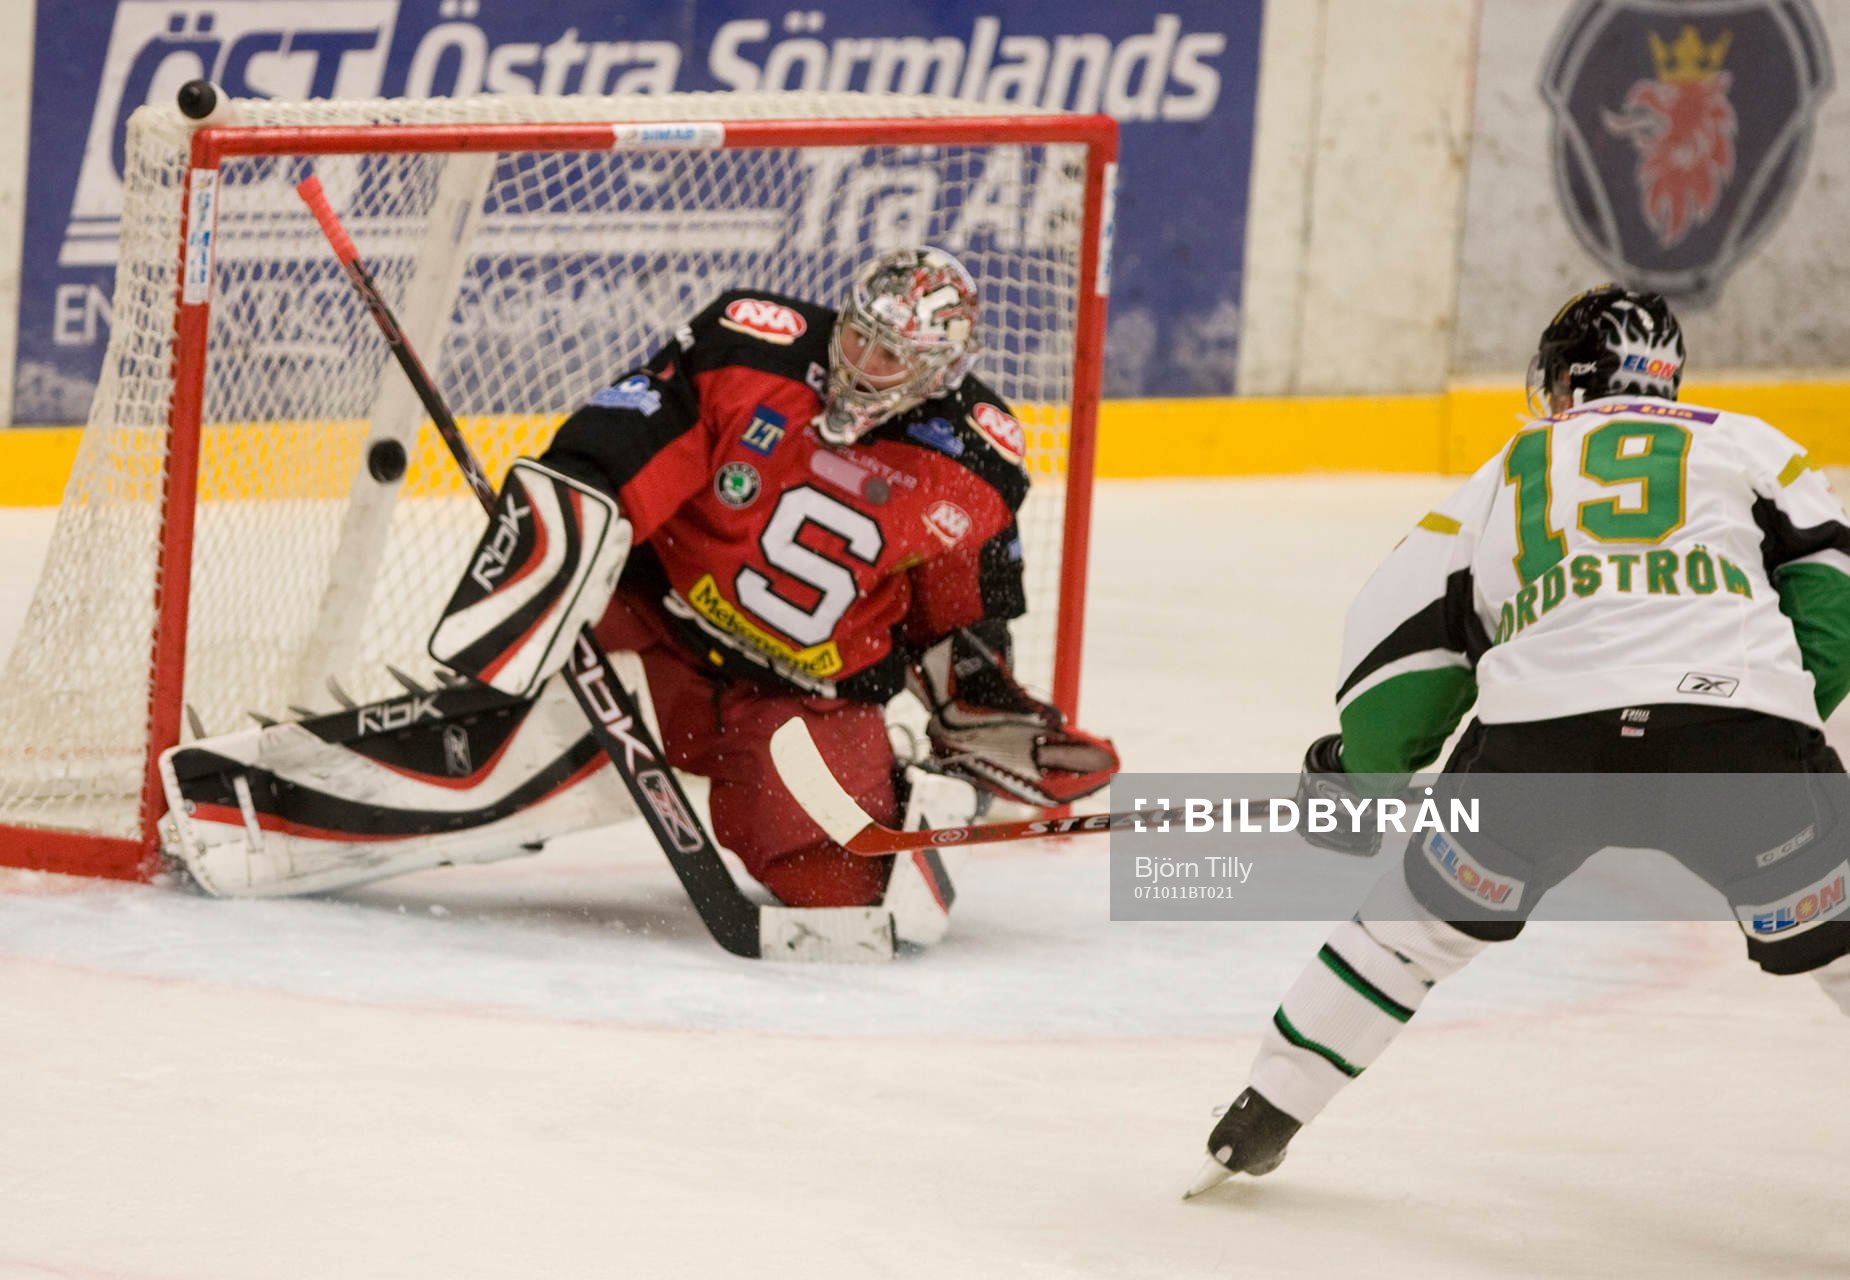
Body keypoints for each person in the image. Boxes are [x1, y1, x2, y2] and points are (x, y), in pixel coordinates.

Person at [1186, 284, 1850, 1197]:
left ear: (1565, 378)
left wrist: (1361, 775)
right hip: (1739, 743)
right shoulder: (1749, 443)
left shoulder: (1507, 470)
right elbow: (1835, 585)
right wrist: (1773, 717)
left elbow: (1403, 650)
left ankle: (1262, 1115)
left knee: (1409, 933)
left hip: (1542, 752)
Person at [431, 246, 1118, 914]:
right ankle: (453, 738)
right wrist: (563, 524)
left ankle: (890, 776)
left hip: (802, 701)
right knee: (471, 751)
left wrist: (987, 714)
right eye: (855, 336)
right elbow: (616, 455)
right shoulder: (748, 349)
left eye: (887, 357)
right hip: (652, 631)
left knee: (844, 895)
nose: (856, 364)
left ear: (937, 374)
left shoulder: (976, 468)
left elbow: (952, 622)